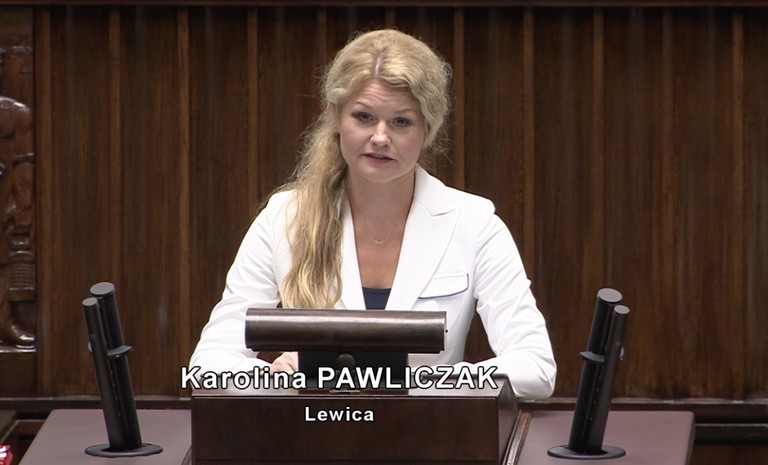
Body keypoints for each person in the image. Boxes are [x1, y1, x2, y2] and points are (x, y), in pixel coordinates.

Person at [190, 29, 556, 399]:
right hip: (311, 430)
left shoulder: (475, 224)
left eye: (401, 121)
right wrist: (282, 381)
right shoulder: (284, 218)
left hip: (428, 431)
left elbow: (536, 367)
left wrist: (418, 384)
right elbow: (209, 364)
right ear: (337, 117)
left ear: (427, 129)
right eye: (364, 117)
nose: (380, 137)